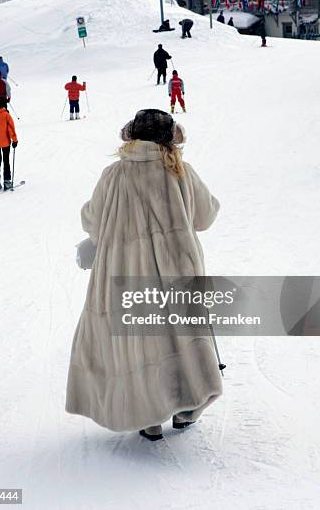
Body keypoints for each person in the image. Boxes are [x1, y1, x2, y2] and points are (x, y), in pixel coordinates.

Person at [65, 108, 222, 441]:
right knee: (179, 338)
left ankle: (147, 418)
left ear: (132, 137)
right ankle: (185, 409)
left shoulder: (112, 175)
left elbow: (91, 221)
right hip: (175, 271)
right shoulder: (181, 172)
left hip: (124, 271)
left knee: (139, 344)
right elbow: (205, 217)